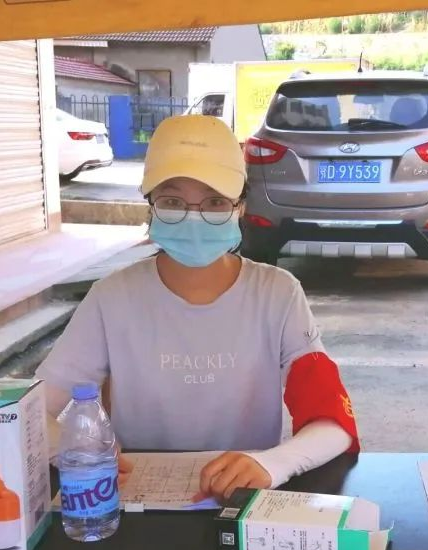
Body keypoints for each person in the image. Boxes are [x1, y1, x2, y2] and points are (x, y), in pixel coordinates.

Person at [37, 115, 359, 499]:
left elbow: (333, 421)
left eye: (215, 201)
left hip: (244, 497)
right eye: (173, 201)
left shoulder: (278, 294)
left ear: (240, 207)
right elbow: (29, 411)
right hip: (137, 500)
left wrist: (274, 464)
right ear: (150, 203)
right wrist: (75, 452)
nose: (193, 217)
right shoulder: (111, 298)